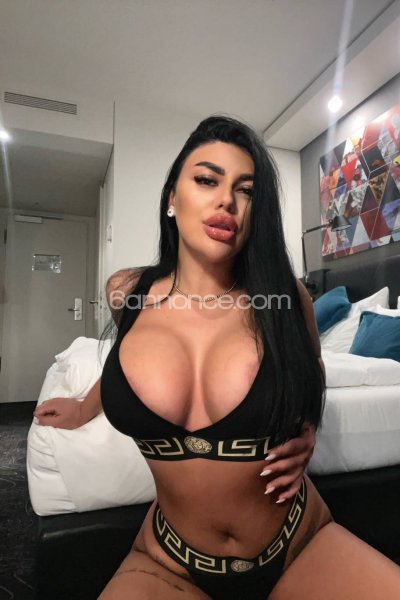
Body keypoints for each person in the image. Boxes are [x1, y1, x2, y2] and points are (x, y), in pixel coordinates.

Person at [34, 116, 400, 599]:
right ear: (171, 198)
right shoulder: (127, 290)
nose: (226, 199)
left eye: (245, 190)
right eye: (207, 180)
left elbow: (312, 367)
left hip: (300, 543)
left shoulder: (285, 298)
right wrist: (86, 406)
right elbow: (126, 357)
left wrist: (309, 429)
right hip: (169, 561)